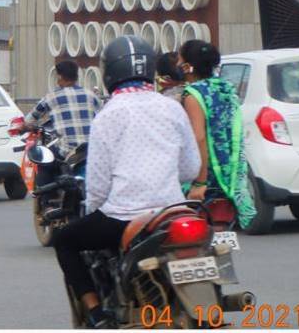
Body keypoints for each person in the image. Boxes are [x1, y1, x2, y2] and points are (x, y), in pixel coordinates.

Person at [51, 37, 200, 328]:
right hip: (173, 212)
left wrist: (94, 209)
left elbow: (97, 185)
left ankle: (95, 313)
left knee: (63, 240)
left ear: (110, 73)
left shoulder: (109, 115)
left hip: (126, 217)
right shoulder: (171, 107)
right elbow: (190, 168)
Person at [178, 40, 256, 228]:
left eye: (180, 60)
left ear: (188, 67)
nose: (177, 65)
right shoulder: (226, 89)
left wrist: (200, 182)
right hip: (228, 176)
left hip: (207, 178)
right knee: (219, 234)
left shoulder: (193, 94)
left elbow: (199, 137)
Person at [23, 60, 101, 158]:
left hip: (66, 151)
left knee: (42, 161)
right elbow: (102, 118)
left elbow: (31, 119)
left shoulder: (52, 97)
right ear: (76, 77)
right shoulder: (91, 95)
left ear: (60, 77)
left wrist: (23, 127)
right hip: (92, 149)